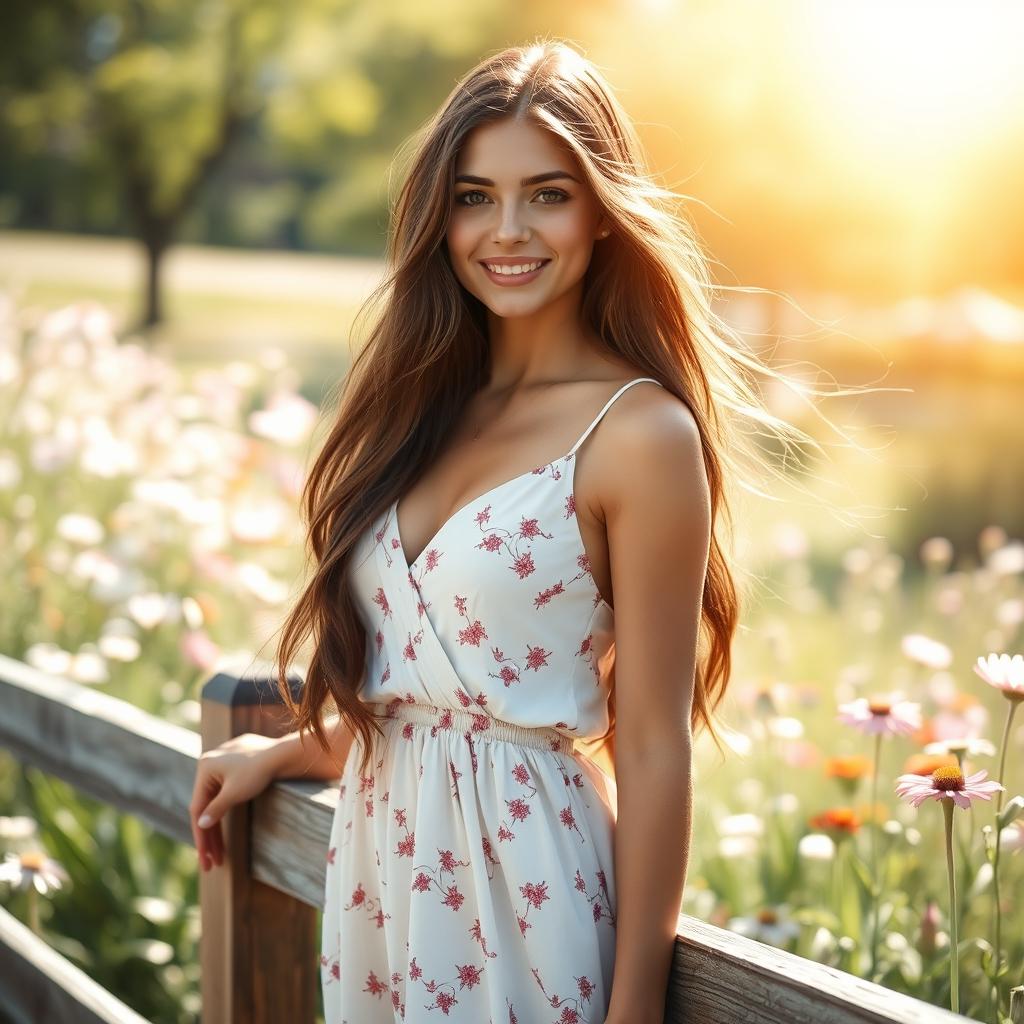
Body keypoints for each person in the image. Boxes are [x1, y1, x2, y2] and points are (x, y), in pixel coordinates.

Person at [190, 37, 812, 1024]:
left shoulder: (638, 434)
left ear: (603, 210)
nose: (507, 229)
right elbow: (427, 693)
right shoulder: (421, 408)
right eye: (475, 195)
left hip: (526, 892)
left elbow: (650, 743)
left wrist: (635, 1004)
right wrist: (281, 754)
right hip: (380, 888)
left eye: (548, 194)